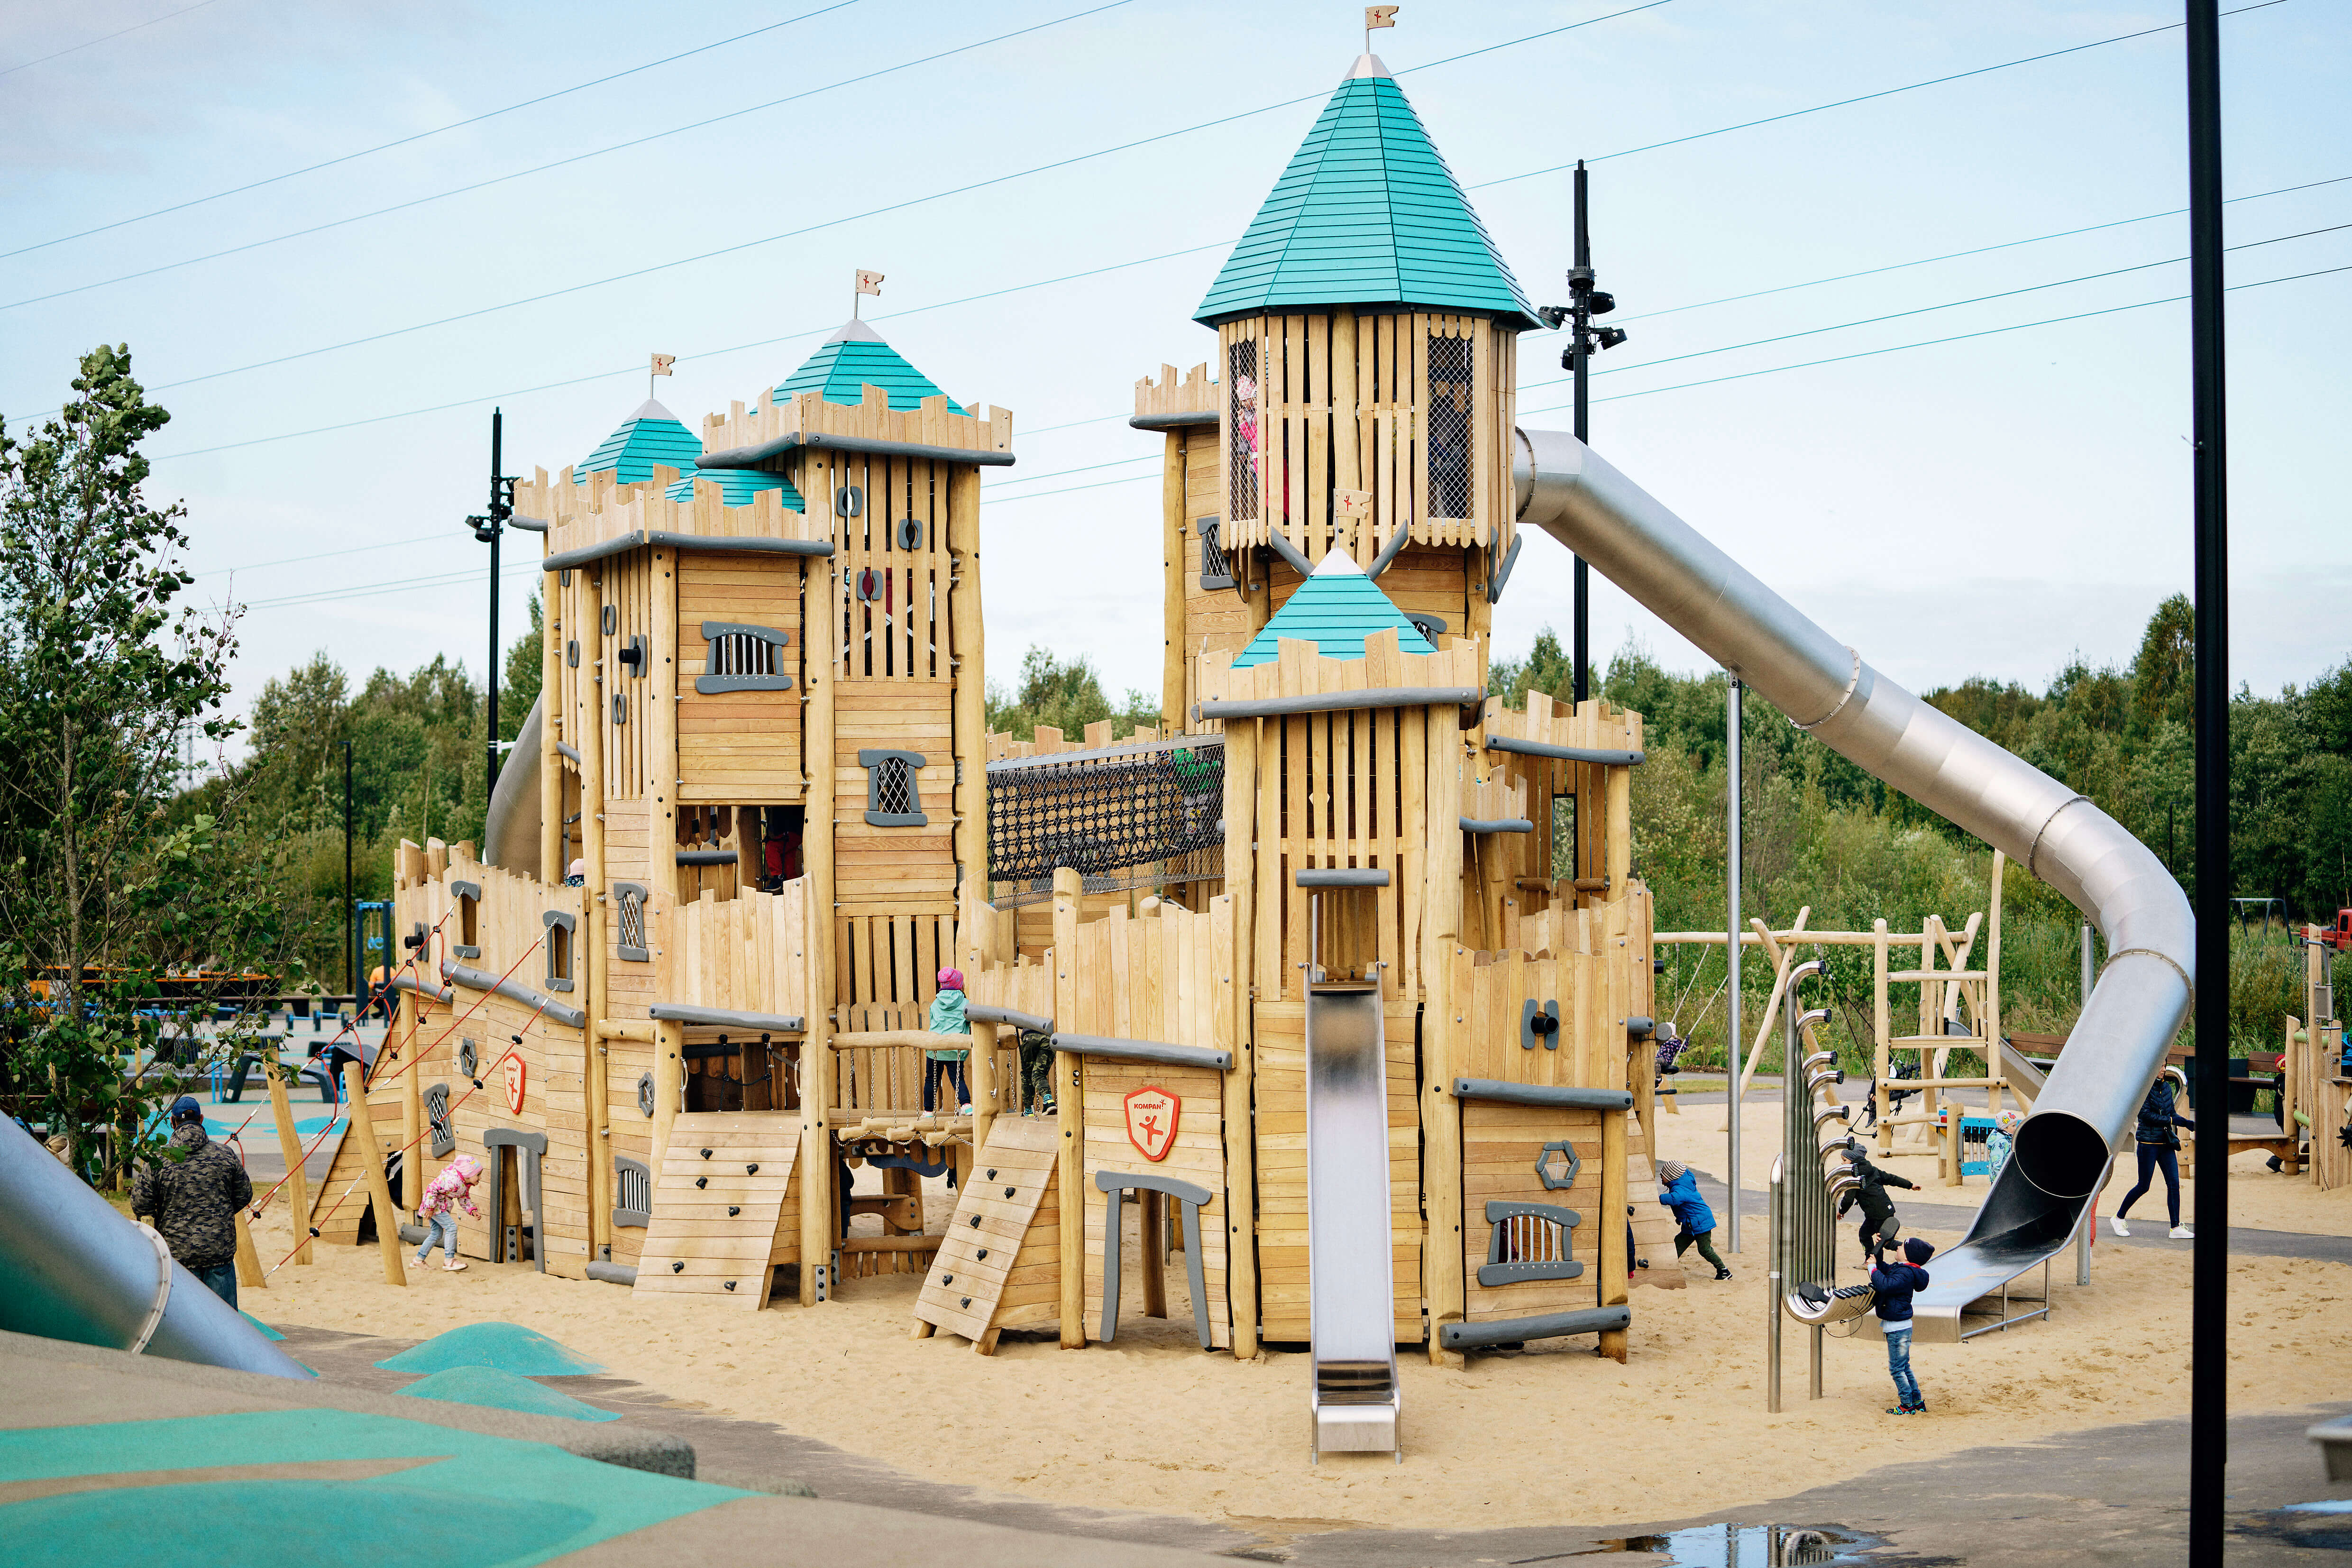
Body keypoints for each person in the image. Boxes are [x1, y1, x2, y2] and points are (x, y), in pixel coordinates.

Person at [130, 1095, 254, 1308]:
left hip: (178, 1257)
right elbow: (245, 1194)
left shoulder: (159, 1160)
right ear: (202, 1119)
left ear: (172, 1122)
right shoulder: (225, 1155)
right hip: (219, 1252)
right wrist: (221, 1212)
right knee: (226, 1326)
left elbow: (141, 1205)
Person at [2113, 1067, 2196, 1239]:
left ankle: (2175, 1227)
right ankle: (2118, 1218)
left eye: (2165, 1066)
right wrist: (2172, 1120)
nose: (2163, 1070)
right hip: (2148, 1144)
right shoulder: (2144, 1088)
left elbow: (2171, 1113)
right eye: (2159, 1066)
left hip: (2165, 1143)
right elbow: (2145, 1115)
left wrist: (2186, 1123)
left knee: (2174, 1184)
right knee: (2144, 1186)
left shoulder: (2166, 1088)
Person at [1871, 1237, 1936, 1414]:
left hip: (1897, 1329)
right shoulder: (1903, 1269)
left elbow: (1884, 1285)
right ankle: (1916, 1400)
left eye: (1901, 1247)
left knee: (1897, 1369)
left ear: (1907, 1257)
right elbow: (1884, 1269)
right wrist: (1878, 1250)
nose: (1897, 1247)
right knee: (1905, 1366)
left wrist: (1871, 1269)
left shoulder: (1905, 1274)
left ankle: (1907, 1404)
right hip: (1901, 1327)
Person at [1837, 1142, 1917, 1264]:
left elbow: (1849, 1198)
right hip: (1881, 1211)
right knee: (1865, 1234)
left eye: (1845, 1160)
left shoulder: (1854, 1177)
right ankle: (1870, 1260)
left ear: (1854, 1160)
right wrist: (1910, 1185)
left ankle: (1913, 1250)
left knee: (1885, 1242)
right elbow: (1892, 1179)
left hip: (1880, 1215)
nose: (1843, 1163)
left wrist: (1841, 1211)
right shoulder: (1873, 1170)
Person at [1656, 1160, 1730, 1280]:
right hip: (1690, 1225)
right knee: (1678, 1244)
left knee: (1705, 1250)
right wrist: (1680, 1218)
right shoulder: (1681, 1185)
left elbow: (1675, 1199)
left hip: (1701, 1224)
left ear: (1671, 1176)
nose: (1660, 1176)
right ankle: (1668, 1267)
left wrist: (1658, 1198)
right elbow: (1684, 1206)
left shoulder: (1680, 1189)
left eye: (1663, 1174)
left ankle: (1723, 1270)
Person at [414, 1154, 483, 1271]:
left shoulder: (465, 1184)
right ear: (468, 1174)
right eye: (478, 1175)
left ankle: (418, 1260)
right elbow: (432, 1188)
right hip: (435, 1206)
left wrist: (472, 1210)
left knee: (436, 1234)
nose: (480, 1178)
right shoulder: (453, 1181)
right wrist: (430, 1208)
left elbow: (464, 1198)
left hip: (438, 1207)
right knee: (452, 1228)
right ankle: (449, 1261)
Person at [924, 969, 971, 1113]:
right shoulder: (965, 1003)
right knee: (958, 1079)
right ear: (959, 984)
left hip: (935, 1049)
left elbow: (933, 1022)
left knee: (931, 1081)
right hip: (954, 1049)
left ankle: (928, 1112)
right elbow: (969, 1023)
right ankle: (966, 1105)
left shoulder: (935, 1003)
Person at [1017, 1027, 1055, 1116]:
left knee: (1027, 1075)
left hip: (1030, 1036)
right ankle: (1049, 1101)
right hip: (1049, 1038)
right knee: (1039, 1074)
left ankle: (1029, 1110)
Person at [1985, 1110, 2022, 1184]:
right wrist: (2004, 1180)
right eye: (2013, 1126)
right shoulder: (2000, 1143)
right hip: (2000, 1182)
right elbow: (1997, 1165)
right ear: (2005, 1128)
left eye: (2016, 1125)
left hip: (2007, 1178)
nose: (2016, 1128)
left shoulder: (2008, 1138)